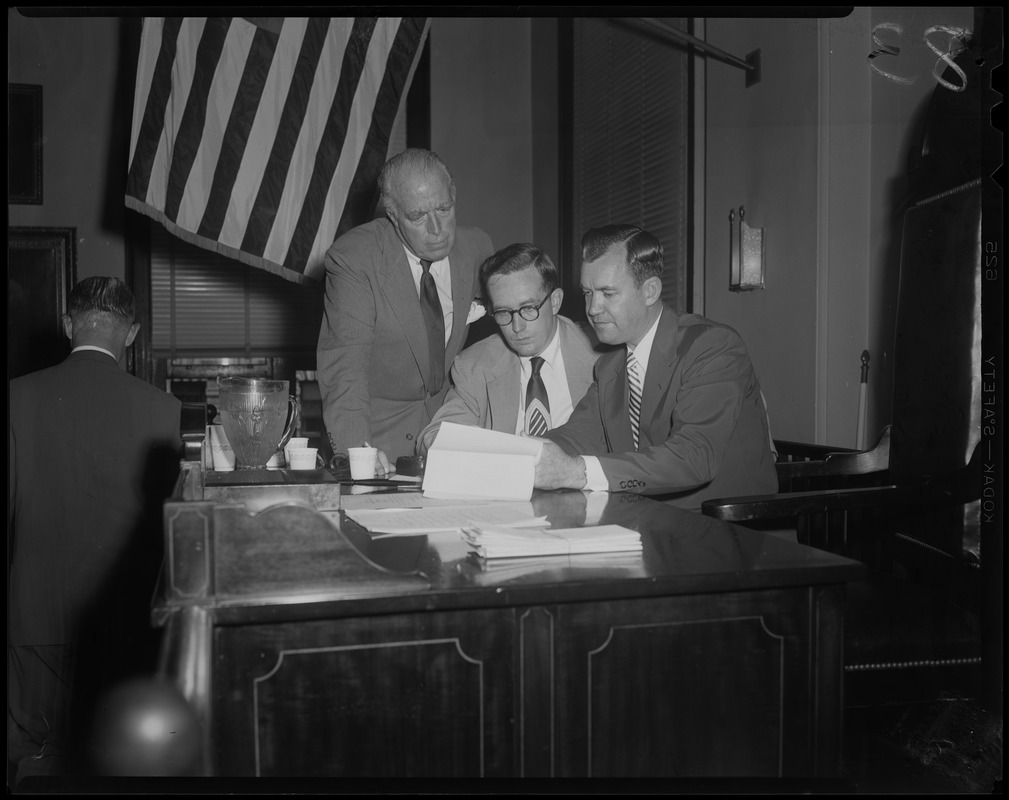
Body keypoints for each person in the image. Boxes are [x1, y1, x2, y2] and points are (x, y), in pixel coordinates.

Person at [8, 276, 183, 783]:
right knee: (122, 764)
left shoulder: (17, 397)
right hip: (123, 625)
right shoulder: (163, 409)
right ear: (130, 335)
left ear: (68, 326)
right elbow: (169, 526)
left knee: (33, 767)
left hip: (32, 622)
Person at [534, 224, 778, 508]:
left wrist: (578, 471)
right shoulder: (610, 366)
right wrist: (520, 453)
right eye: (588, 293)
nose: (593, 308)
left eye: (607, 293)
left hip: (733, 534)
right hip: (651, 523)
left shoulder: (713, 347)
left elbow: (693, 457)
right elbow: (577, 436)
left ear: (650, 291)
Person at [316, 148, 494, 473]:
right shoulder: (355, 259)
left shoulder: (477, 249)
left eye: (444, 208)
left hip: (452, 441)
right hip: (377, 445)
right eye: (417, 217)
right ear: (393, 215)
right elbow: (345, 369)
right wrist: (357, 452)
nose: (437, 229)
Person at [418, 243, 601, 453]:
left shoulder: (601, 357)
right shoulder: (475, 365)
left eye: (528, 308)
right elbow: (435, 437)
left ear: (555, 301)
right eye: (504, 312)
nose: (517, 327)